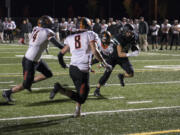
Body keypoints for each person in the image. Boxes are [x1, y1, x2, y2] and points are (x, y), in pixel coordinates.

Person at [49, 17, 112, 117]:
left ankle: (77, 112)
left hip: (73, 69)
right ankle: (60, 89)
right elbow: (95, 51)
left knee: (79, 92)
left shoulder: (71, 37)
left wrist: (63, 64)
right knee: (82, 98)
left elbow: (60, 54)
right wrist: (104, 63)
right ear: (88, 25)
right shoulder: (90, 34)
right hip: (82, 70)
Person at [2, 15, 64, 102]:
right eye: (49, 23)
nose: (51, 25)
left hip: (37, 60)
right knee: (25, 85)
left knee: (48, 74)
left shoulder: (36, 28)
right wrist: (70, 48)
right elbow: (58, 45)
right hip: (29, 61)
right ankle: (7, 92)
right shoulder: (47, 31)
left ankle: (30, 81)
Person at [93, 24, 139, 96]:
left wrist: (135, 49)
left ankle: (122, 76)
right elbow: (120, 54)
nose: (130, 34)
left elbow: (133, 44)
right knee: (107, 74)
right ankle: (97, 89)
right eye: (128, 32)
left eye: (131, 32)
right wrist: (131, 54)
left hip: (123, 57)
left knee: (131, 73)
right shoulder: (119, 38)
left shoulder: (134, 36)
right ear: (124, 31)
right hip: (114, 57)